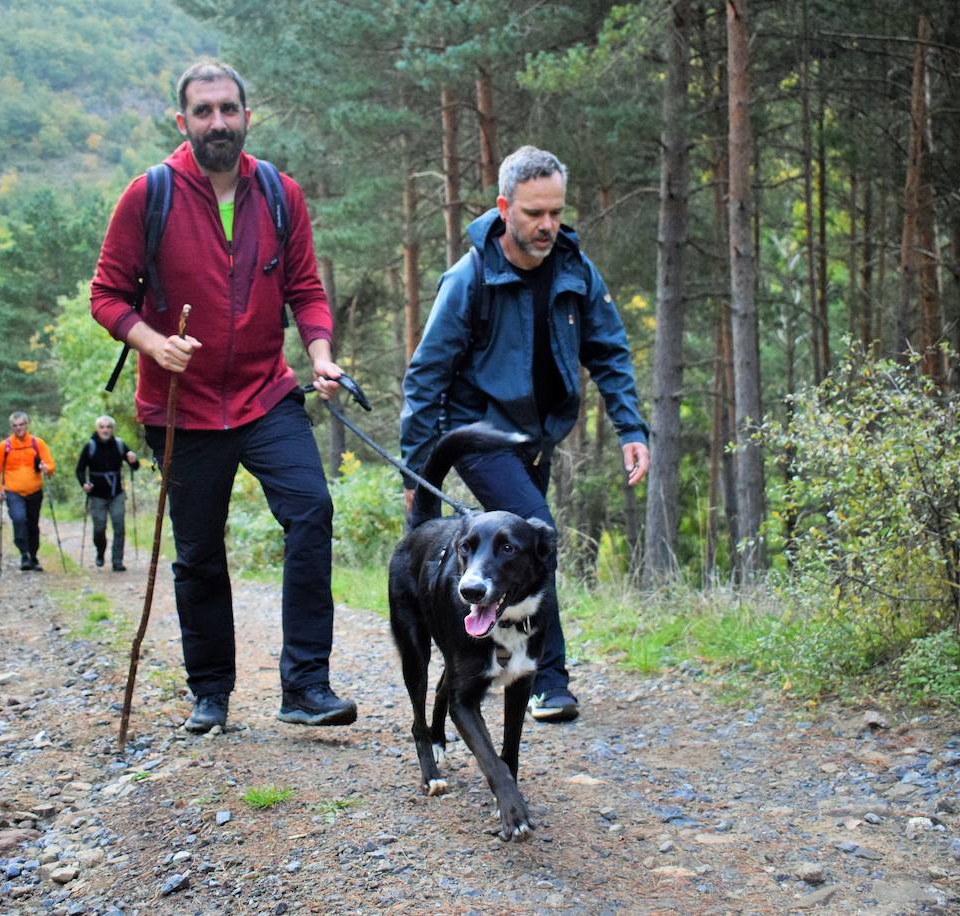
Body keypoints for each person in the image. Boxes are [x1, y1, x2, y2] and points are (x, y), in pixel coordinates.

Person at [90, 60, 357, 733]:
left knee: (311, 510)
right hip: (181, 408)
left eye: (228, 110)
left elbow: (306, 291)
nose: (218, 122)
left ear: (246, 116)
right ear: (183, 122)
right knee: (199, 552)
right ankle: (210, 692)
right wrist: (152, 342)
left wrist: (321, 358)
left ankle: (305, 686)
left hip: (266, 395)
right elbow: (107, 295)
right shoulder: (148, 195)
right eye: (203, 111)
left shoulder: (279, 193)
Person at [400, 145, 650, 724]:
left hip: (539, 437)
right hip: (480, 434)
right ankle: (548, 679)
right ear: (504, 207)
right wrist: (417, 473)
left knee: (516, 554)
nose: (547, 225)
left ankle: (495, 652)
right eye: (535, 213)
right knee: (538, 536)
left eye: (556, 212)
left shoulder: (574, 269)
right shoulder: (470, 279)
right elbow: (426, 375)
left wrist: (630, 427)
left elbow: (609, 351)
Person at [0, 411, 57, 572]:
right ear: (11, 427)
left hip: (35, 491)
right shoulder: (4, 446)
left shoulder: (37, 443)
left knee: (33, 524)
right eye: (15, 426)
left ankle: (33, 556)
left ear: (27, 425)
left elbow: (50, 465)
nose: (18, 428)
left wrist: (46, 468)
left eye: (21, 425)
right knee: (19, 520)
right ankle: (24, 554)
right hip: (13, 492)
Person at [75, 415, 141, 571]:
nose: (105, 430)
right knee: (99, 528)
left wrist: (133, 461)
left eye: (108, 427)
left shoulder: (119, 445)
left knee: (119, 527)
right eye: (102, 427)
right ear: (97, 429)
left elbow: (135, 466)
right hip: (97, 494)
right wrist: (84, 483)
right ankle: (100, 552)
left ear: (112, 429)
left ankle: (117, 561)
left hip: (116, 493)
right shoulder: (90, 446)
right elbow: (80, 469)